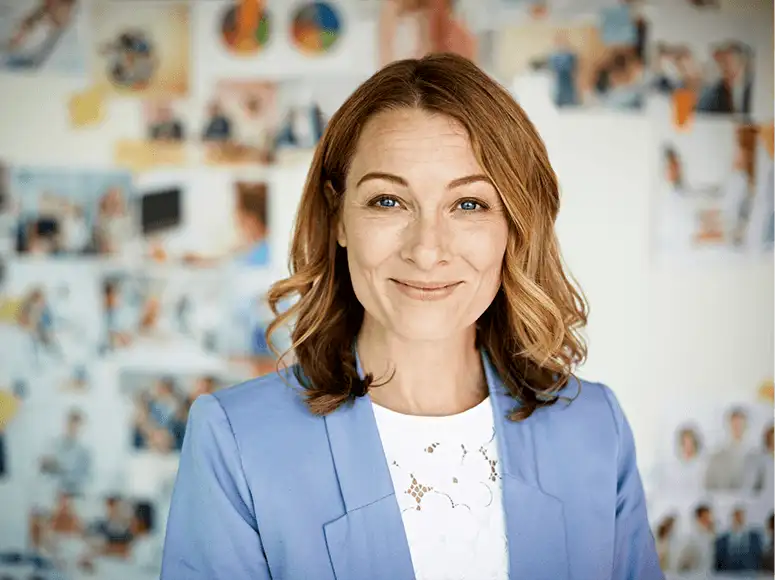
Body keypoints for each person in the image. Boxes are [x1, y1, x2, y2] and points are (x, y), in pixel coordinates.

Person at [162, 53, 662, 579]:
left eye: (468, 205)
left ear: (513, 227)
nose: (427, 251)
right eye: (388, 201)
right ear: (339, 219)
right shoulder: (236, 439)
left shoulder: (596, 430)